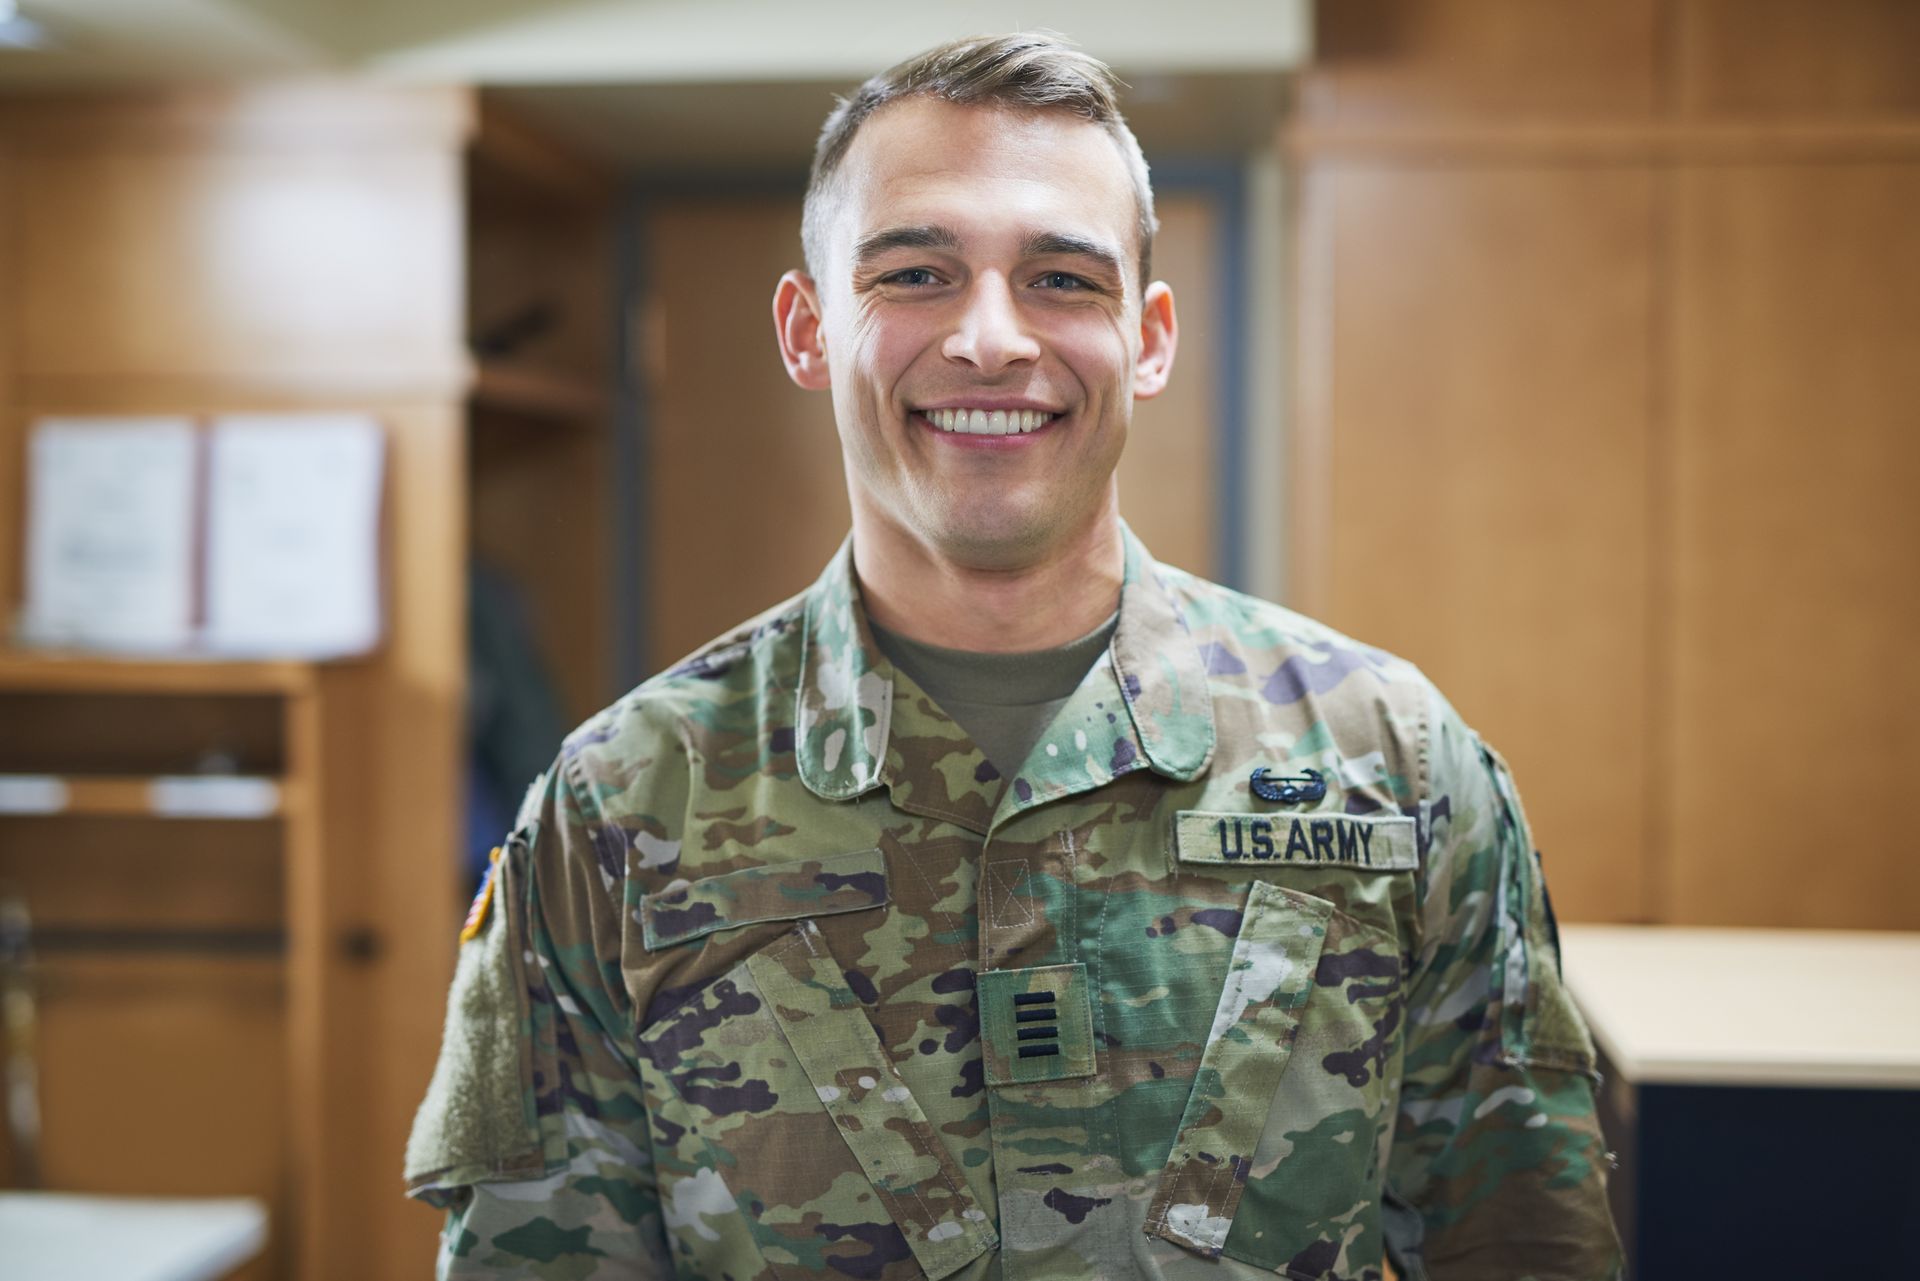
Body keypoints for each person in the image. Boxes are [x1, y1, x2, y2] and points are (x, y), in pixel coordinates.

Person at [405, 32, 1623, 1281]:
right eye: (918, 273)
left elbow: (1524, 1241)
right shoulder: (620, 805)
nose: (991, 338)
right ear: (809, 328)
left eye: (1060, 279)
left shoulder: (1390, 762)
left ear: (1148, 338)